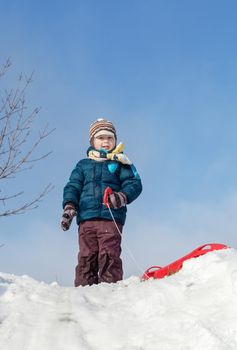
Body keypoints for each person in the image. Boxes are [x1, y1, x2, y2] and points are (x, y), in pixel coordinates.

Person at [61, 118, 142, 286]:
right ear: (92, 141)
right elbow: (73, 186)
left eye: (110, 138)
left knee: (109, 254)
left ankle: (110, 291)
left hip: (110, 218)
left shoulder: (121, 163)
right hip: (87, 218)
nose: (106, 141)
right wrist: (70, 206)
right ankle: (84, 292)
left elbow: (134, 184)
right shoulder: (83, 165)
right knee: (87, 256)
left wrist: (122, 196)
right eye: (101, 138)